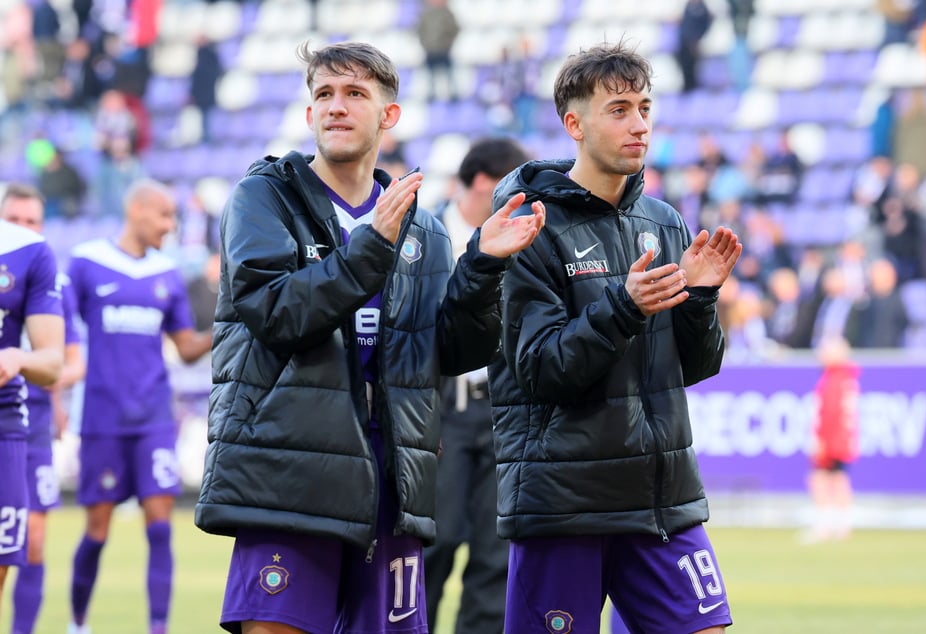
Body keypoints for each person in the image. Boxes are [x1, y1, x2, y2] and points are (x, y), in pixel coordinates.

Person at [192, 40, 544, 634]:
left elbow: (446, 352)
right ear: (308, 115)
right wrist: (370, 249)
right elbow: (274, 313)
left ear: (389, 114)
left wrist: (481, 266)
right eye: (324, 94)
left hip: (390, 478)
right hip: (289, 472)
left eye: (355, 93)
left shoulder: (424, 229)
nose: (336, 106)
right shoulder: (265, 199)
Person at [487, 42, 742, 633]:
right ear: (574, 124)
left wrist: (701, 299)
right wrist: (623, 306)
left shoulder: (665, 221)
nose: (640, 125)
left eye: (645, 108)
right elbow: (541, 369)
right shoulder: (529, 226)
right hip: (565, 502)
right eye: (620, 109)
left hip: (661, 500)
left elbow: (694, 367)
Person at [66, 179, 213, 634]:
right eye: (164, 215)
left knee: (160, 527)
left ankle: (157, 628)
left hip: (153, 417)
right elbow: (58, 330)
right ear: (138, 211)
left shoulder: (166, 273)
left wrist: (227, 327)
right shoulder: (87, 264)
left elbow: (185, 346)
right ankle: (77, 622)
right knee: (97, 530)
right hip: (103, 418)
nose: (170, 226)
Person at [423, 136, 530, 634]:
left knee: (496, 551)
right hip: (439, 406)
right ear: (485, 183)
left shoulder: (526, 239)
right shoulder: (425, 235)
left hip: (503, 406)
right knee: (431, 542)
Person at [2, 185, 85, 634]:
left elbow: (72, 361)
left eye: (33, 221)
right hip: (10, 410)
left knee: (31, 540)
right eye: (16, 219)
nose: (25, 229)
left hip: (31, 424)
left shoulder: (51, 277)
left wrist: (45, 381)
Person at [803, 336, 860, 543]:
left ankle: (824, 524)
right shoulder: (847, 378)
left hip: (832, 439)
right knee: (839, 479)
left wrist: (821, 440)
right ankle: (842, 525)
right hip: (843, 439)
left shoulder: (834, 380)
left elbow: (830, 413)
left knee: (820, 479)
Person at [415, 0, 460, 101]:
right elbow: (419, 30)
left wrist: (448, 43)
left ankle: (453, 94)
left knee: (449, 73)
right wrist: (425, 44)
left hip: (444, 49)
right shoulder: (425, 14)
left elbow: (454, 29)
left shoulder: (447, 14)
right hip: (430, 50)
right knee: (430, 74)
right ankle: (431, 94)